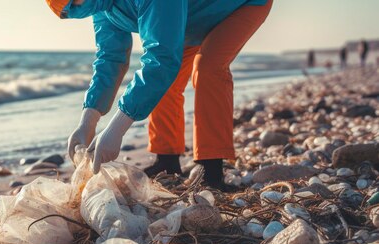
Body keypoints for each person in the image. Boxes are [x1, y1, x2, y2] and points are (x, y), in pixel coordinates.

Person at [45, 0, 273, 189]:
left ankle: (212, 171)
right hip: (187, 18)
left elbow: (160, 61)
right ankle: (167, 160)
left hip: (237, 6)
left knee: (208, 68)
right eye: (71, 5)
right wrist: (88, 119)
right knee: (165, 83)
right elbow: (109, 59)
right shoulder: (101, 6)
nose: (76, 5)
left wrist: (116, 129)